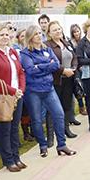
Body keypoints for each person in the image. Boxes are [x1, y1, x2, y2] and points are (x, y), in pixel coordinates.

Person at [21, 25, 76, 157]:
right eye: (35, 34)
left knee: (59, 114)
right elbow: (30, 70)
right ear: (30, 37)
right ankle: (43, 145)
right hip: (33, 91)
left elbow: (56, 65)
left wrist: (39, 66)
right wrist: (47, 66)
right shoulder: (25, 53)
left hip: (49, 88)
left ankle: (61, 145)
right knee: (37, 119)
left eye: (40, 33)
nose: (39, 36)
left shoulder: (47, 49)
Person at [0, 23, 27, 172]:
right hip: (4, 97)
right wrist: (12, 91)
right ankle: (8, 160)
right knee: (5, 130)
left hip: (17, 95)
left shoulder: (13, 52)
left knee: (15, 128)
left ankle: (16, 157)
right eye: (1, 34)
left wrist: (20, 89)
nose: (5, 37)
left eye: (7, 34)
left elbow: (21, 72)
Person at [45, 21, 78, 138]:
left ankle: (66, 129)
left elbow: (74, 56)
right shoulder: (47, 45)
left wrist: (73, 68)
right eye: (54, 30)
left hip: (69, 79)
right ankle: (50, 135)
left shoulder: (66, 42)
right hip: (55, 80)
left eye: (59, 29)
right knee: (52, 108)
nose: (58, 31)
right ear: (49, 33)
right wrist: (63, 70)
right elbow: (49, 63)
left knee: (66, 105)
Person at [69, 24, 87, 116]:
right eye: (74, 32)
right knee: (78, 86)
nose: (77, 33)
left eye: (78, 31)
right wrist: (77, 66)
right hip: (76, 67)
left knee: (87, 86)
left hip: (85, 65)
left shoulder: (84, 40)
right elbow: (73, 56)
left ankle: (88, 105)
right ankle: (81, 106)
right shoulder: (71, 43)